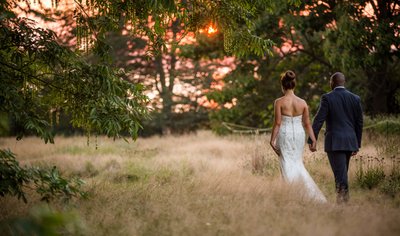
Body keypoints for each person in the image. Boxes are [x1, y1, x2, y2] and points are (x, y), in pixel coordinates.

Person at [270, 70, 327, 203]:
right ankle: (305, 194)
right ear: (294, 85)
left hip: (285, 135)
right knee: (297, 163)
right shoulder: (302, 102)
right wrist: (313, 139)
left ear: (282, 85)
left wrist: (272, 140)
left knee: (286, 163)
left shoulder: (279, 102)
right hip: (299, 135)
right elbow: (307, 124)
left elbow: (277, 123)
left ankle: (292, 195)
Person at [308, 72, 363, 204]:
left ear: (332, 82)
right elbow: (359, 122)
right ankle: (342, 203)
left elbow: (319, 119)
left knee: (340, 175)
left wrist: (312, 139)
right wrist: (357, 144)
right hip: (350, 142)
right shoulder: (355, 98)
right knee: (342, 173)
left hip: (335, 143)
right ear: (343, 82)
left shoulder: (327, 97)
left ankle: (343, 205)